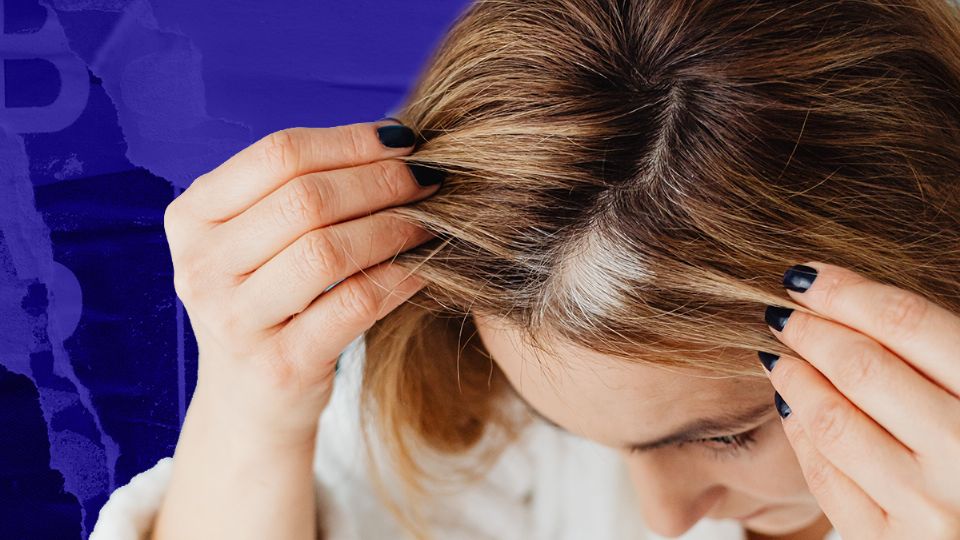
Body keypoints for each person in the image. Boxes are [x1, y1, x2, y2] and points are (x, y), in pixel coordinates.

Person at [90, 0, 960, 538]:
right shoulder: (469, 397)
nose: (664, 519)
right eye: (589, 437)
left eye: (728, 433)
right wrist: (251, 402)